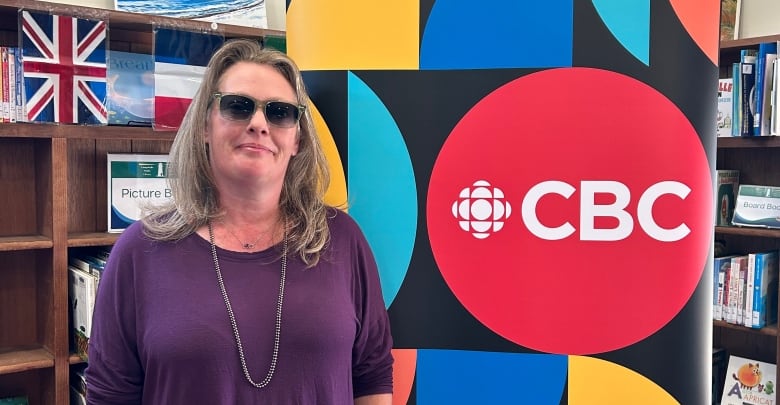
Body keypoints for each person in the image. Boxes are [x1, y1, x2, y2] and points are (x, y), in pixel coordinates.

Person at [86, 38, 394, 404]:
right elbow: (110, 394)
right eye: (238, 107)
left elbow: (372, 375)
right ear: (204, 126)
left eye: (280, 112)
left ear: (297, 139)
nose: (259, 123)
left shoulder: (342, 240)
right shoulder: (139, 251)